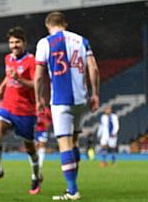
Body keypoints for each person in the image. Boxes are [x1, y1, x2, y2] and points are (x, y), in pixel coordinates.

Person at [34, 12, 100, 201]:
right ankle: (72, 186)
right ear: (65, 24)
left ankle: (72, 191)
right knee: (75, 142)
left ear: (48, 26)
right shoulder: (82, 40)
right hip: (81, 100)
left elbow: (38, 76)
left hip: (61, 101)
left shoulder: (45, 43)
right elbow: (93, 68)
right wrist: (95, 94)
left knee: (64, 143)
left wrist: (39, 99)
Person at [0, 26, 41, 195]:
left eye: (17, 42)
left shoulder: (32, 61)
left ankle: (36, 176)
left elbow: (36, 84)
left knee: (30, 148)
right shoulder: (8, 58)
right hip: (7, 106)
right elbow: (8, 76)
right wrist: (0, 88)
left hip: (26, 111)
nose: (14, 45)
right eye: (11, 42)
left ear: (24, 43)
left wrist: (20, 79)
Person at [35, 106, 52, 170]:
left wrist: (48, 123)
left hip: (43, 130)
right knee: (36, 146)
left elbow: (50, 118)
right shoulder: (36, 110)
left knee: (41, 145)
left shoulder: (46, 110)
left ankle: (40, 164)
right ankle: (36, 162)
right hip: (37, 131)